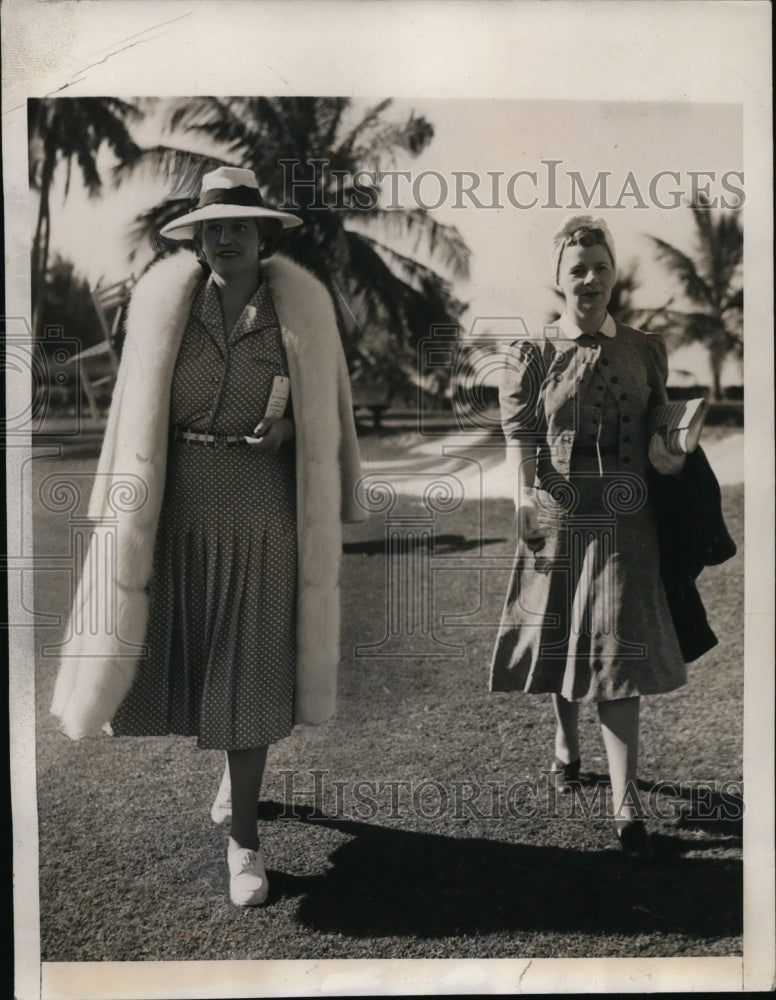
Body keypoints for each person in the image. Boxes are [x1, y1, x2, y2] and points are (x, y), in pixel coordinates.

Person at [51, 166, 364, 905]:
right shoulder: (163, 307)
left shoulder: (302, 313)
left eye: (239, 225)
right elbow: (131, 413)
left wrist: (289, 426)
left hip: (263, 512)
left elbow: (328, 416)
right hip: (177, 510)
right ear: (196, 237)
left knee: (251, 665)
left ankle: (245, 844)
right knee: (182, 655)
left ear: (262, 237)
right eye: (212, 226)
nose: (225, 238)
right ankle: (234, 779)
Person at [489, 216, 690, 861]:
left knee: (617, 653)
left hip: (630, 523)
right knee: (559, 635)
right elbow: (522, 435)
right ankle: (565, 744)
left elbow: (663, 423)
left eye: (601, 267)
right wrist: (525, 497)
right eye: (577, 269)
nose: (591, 279)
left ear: (614, 275)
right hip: (558, 515)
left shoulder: (643, 347)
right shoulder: (533, 354)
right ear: (557, 281)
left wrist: (674, 452)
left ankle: (625, 800)